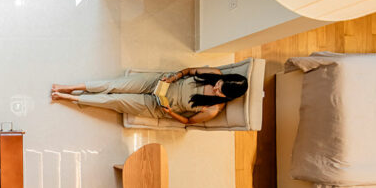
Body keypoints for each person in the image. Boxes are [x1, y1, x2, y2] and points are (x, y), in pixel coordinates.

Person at [51, 67, 248, 125]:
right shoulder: (214, 74)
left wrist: (169, 112)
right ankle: (69, 88)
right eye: (219, 85)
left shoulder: (213, 110)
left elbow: (188, 121)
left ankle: (70, 99)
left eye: (220, 92)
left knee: (115, 99)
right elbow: (189, 71)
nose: (216, 89)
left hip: (155, 106)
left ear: (226, 98)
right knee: (115, 85)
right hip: (159, 82)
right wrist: (174, 77)